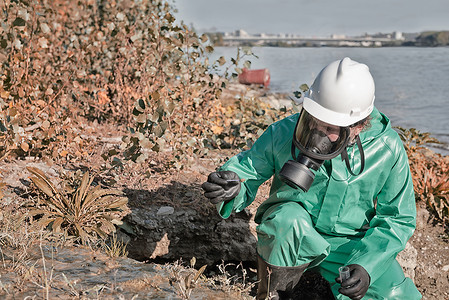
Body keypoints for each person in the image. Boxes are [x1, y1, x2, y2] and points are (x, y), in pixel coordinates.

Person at [201, 57, 422, 300]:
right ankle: (274, 292)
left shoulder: (387, 149)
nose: (318, 134)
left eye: (331, 129)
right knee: (287, 219)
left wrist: (367, 266)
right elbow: (248, 170)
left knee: (398, 295)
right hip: (290, 237)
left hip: (349, 245)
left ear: (359, 125)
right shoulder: (285, 132)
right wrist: (230, 185)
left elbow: (398, 218)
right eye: (315, 121)